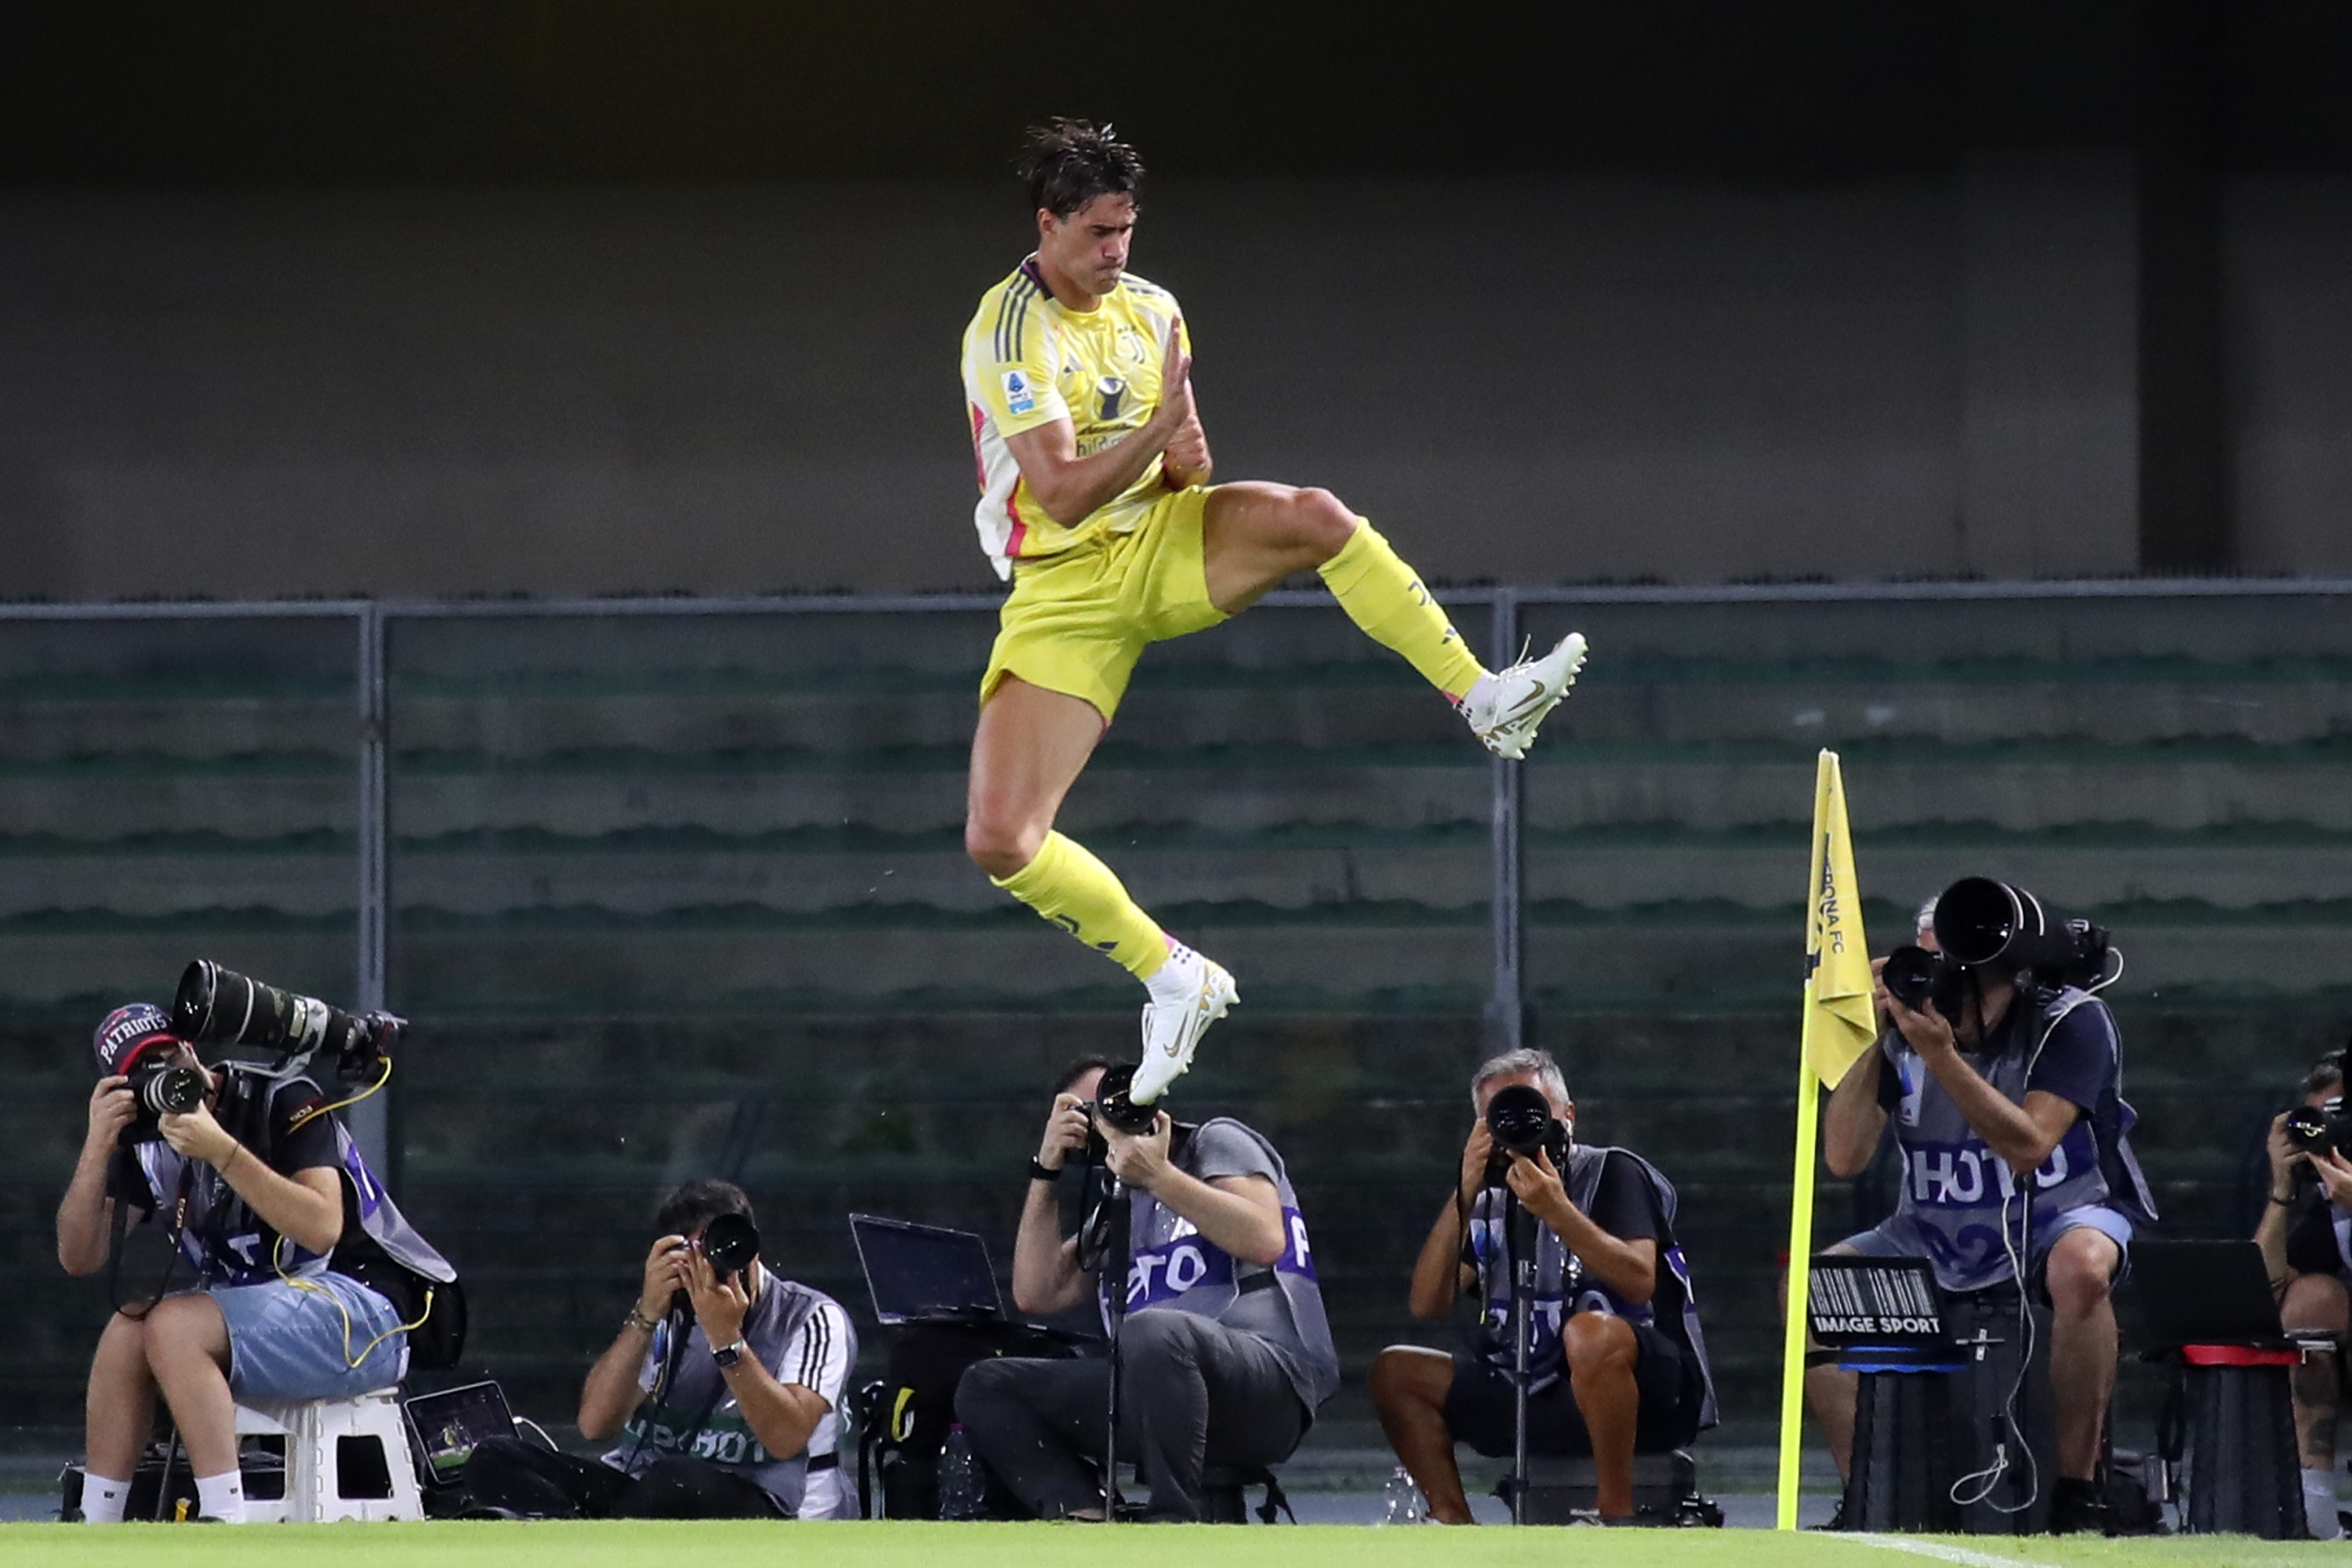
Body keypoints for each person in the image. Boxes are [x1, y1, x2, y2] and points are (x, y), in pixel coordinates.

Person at [960, 119, 1588, 1105]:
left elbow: (1190, 461)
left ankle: (1484, 696)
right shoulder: (1007, 329)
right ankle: (1172, 973)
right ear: (1047, 225)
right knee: (1001, 838)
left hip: (1162, 542)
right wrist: (1160, 430)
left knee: (1317, 517)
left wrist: (1182, 448)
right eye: (1097, 232)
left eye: (1127, 229)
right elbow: (1066, 492)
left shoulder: (1154, 308)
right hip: (1064, 588)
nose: (1117, 250)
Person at [1806, 885, 2158, 1534]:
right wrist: (1874, 1034)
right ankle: (1871, 1489)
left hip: (2063, 1212)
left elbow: (2028, 1145)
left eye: (1942, 966)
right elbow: (1843, 1158)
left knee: (2081, 1269)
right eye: (1921, 962)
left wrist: (1939, 1054)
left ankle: (2078, 1492)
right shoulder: (1908, 1031)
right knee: (1815, 1293)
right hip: (1932, 1226)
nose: (1930, 982)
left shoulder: (2069, 1021)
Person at [59, 1003, 453, 1525]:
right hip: (262, 1315)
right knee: (127, 1328)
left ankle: (225, 1517)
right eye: (142, 1072)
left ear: (191, 1049)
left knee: (174, 1327)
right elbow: (80, 1257)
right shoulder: (148, 1141)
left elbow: (322, 1226)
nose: (164, 1077)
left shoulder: (280, 1098)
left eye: (167, 1056)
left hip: (367, 1308)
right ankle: (96, 1519)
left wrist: (220, 1150)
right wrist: (96, 1147)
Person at [954, 1058, 1338, 1521]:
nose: (1115, 1115)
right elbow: (1038, 1294)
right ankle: (1083, 1516)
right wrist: (1047, 1168)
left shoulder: (1214, 1142)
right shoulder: (1119, 1200)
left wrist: (1160, 1176)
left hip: (1267, 1388)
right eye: (1094, 1111)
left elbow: (1265, 1239)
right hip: (1157, 1399)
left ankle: (1171, 1519)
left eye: (1124, 1097)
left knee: (1152, 1331)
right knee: (986, 1384)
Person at [1370, 1048, 1715, 1523]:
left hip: (1644, 1391)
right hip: (1530, 1386)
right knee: (1397, 1372)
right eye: (1501, 1118)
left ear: (1568, 1116)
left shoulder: (1612, 1171)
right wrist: (1464, 1192)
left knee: (1589, 1333)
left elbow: (1639, 1281)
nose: (1520, 1129)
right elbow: (1428, 1302)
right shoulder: (1491, 1196)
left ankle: (1615, 1515)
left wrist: (1557, 1211)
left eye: (1533, 1112)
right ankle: (1451, 1520)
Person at [463, 1179, 855, 1519]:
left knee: (676, 1481)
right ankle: (586, 1533)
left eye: (720, 1254)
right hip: (642, 1490)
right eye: (692, 1258)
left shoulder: (810, 1317)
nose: (708, 1272)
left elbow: (786, 1437)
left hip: (758, 1501)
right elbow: (596, 1425)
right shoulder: (667, 1313)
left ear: (750, 1249)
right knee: (494, 1457)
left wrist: (726, 1339)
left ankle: (579, 1534)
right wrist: (646, 1314)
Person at [2255, 1044, 2352, 1540]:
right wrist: (2282, 1185)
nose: (2329, 1132)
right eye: (2317, 1119)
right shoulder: (2321, 1207)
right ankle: (2315, 1517)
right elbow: (2265, 1292)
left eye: (2339, 1116)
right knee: (2312, 1300)